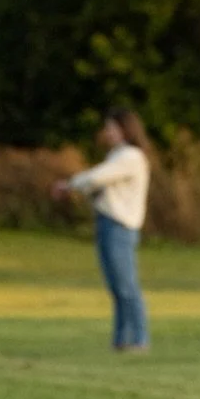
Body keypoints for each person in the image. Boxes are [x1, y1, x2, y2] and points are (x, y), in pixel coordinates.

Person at [52, 108, 152, 352]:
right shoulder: (118, 155)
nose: (107, 133)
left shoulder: (131, 156)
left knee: (127, 285)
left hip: (120, 226)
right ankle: (121, 339)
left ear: (124, 129)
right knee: (116, 286)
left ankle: (139, 338)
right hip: (108, 223)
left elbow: (98, 177)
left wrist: (70, 185)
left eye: (111, 128)